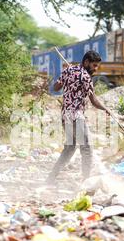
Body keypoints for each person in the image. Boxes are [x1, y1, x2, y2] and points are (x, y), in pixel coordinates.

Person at [46, 50, 111, 184]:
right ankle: (86, 181)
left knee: (70, 148)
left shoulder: (68, 71)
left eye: (97, 66)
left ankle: (50, 178)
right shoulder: (86, 77)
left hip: (65, 116)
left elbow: (56, 87)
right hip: (76, 116)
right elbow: (93, 100)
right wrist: (105, 109)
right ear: (86, 62)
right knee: (86, 149)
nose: (96, 69)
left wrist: (67, 76)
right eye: (94, 65)